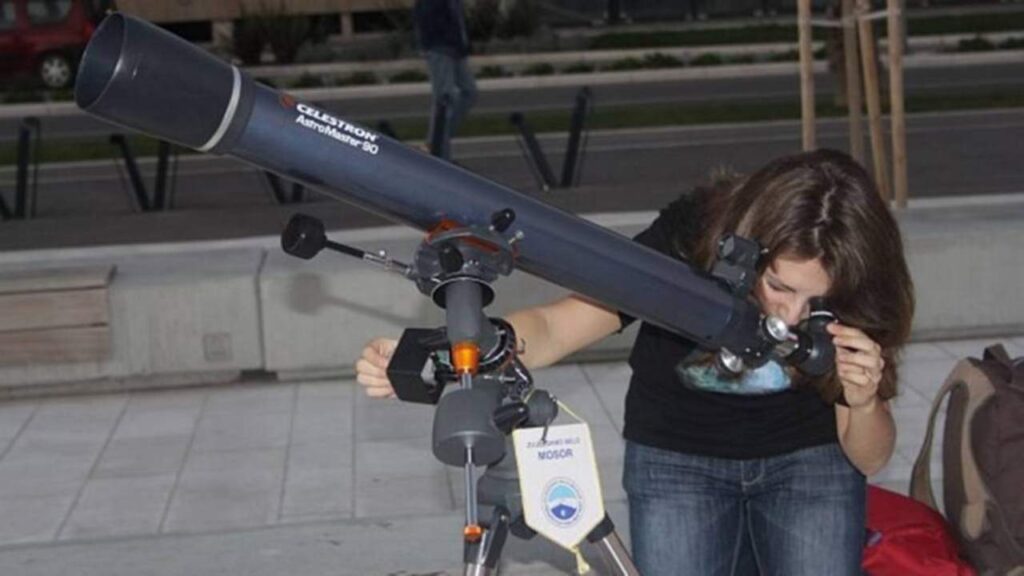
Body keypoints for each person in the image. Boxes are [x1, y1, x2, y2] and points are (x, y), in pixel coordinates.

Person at [356, 149, 915, 576]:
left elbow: (870, 456)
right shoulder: (694, 234)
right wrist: (447, 349)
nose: (791, 316)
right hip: (679, 463)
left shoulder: (859, 274)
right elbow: (556, 328)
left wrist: (864, 401)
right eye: (779, 287)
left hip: (809, 463)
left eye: (815, 302)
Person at [412, 0, 477, 161]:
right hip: (439, 47)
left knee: (469, 92)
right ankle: (440, 152)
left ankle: (436, 141)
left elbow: (455, 17)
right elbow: (428, 17)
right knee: (445, 98)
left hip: (456, 47)